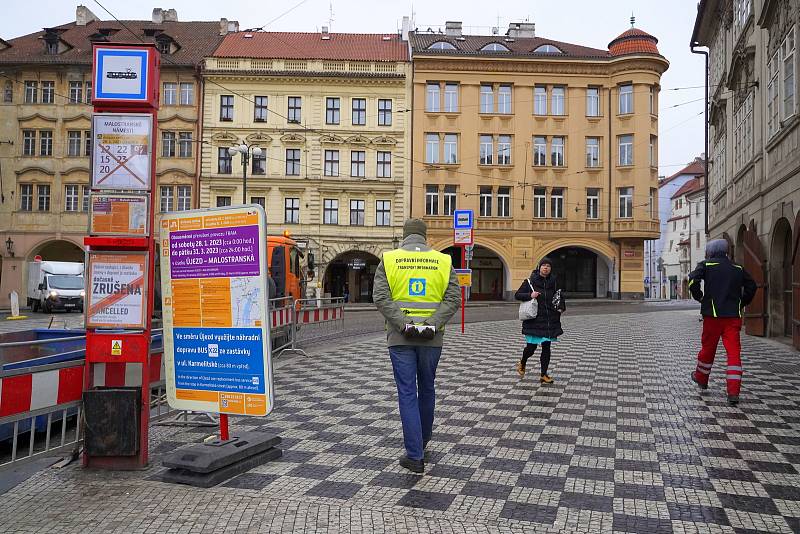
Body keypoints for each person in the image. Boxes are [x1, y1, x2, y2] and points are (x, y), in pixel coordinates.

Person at [373, 219, 460, 474]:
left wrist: (404, 324)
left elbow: (381, 297)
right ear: (425, 236)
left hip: (401, 338)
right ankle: (423, 439)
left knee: (407, 392)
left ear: (404, 235)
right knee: (428, 387)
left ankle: (415, 456)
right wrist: (431, 324)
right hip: (432, 338)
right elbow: (453, 297)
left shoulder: (389, 260)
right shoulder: (443, 261)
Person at [688, 239, 757, 406]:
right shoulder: (737, 268)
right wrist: (742, 302)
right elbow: (752, 286)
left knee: (708, 349)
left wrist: (700, 297)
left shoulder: (706, 265)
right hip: (732, 317)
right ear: (727, 251)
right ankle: (733, 392)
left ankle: (701, 378)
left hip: (712, 316)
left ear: (711, 251)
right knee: (733, 353)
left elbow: (692, 280)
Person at [514, 257, 566, 384]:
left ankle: (544, 374)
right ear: (539, 267)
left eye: (548, 266)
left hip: (549, 320)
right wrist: (530, 295)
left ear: (551, 269)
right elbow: (517, 295)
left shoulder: (554, 282)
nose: (546, 268)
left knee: (546, 347)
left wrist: (561, 308)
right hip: (534, 320)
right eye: (544, 265)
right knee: (531, 348)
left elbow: (560, 296)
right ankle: (523, 361)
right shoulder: (530, 282)